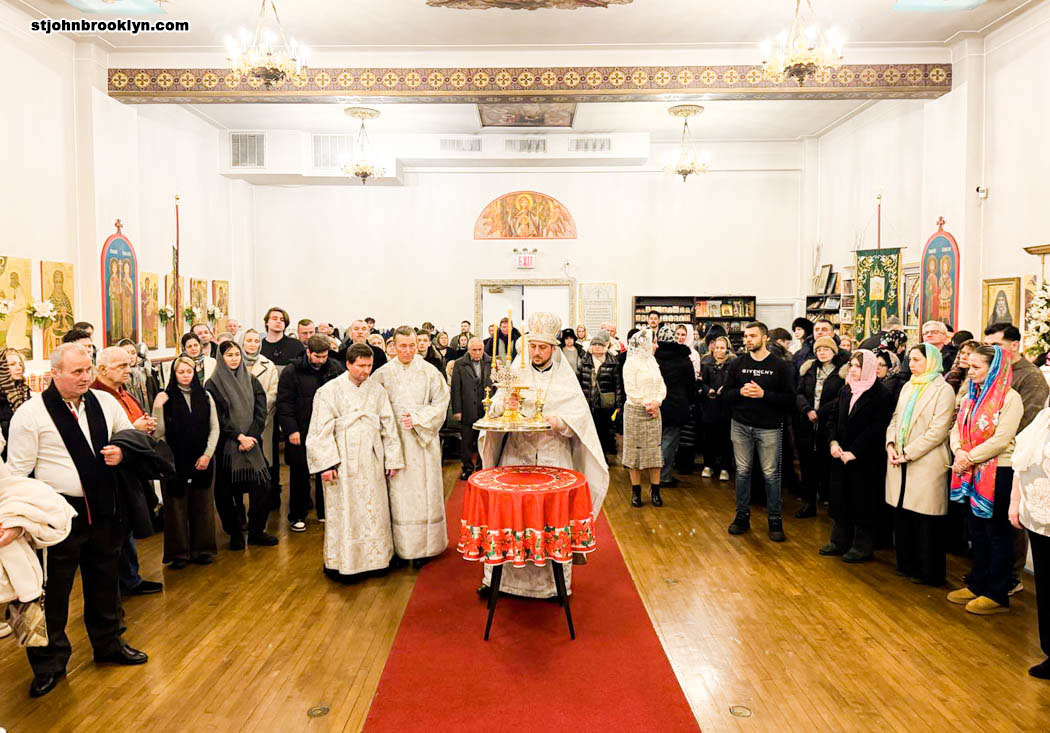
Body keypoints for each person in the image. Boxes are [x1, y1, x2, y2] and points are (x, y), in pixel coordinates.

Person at [7, 344, 147, 698]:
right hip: (56, 516)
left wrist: (122, 450)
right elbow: (17, 474)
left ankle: (109, 644)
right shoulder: (31, 413)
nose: (86, 377)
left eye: (88, 370)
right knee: (53, 594)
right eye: (77, 372)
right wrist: (19, 520)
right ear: (54, 373)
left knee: (105, 583)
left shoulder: (105, 402)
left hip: (103, 508)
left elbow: (129, 435)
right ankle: (49, 665)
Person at [477, 312, 609, 599]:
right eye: (533, 346)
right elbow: (494, 408)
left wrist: (560, 422)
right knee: (512, 519)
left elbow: (580, 420)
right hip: (517, 457)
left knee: (551, 520)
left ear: (553, 348)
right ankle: (501, 581)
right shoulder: (517, 369)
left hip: (553, 457)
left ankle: (552, 586)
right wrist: (506, 404)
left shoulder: (565, 378)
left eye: (542, 347)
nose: (536, 352)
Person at [305, 344, 404, 581]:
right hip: (342, 460)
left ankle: (376, 560)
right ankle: (344, 562)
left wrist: (392, 458)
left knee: (373, 508)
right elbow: (320, 430)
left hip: (371, 457)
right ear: (348, 364)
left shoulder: (377, 390)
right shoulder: (329, 391)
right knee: (345, 510)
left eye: (369, 366)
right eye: (361, 366)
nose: (366, 371)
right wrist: (326, 465)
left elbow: (388, 425)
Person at [948, 345, 1023, 615]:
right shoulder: (972, 395)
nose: (970, 371)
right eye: (970, 366)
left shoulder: (1010, 398)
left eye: (976, 367)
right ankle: (977, 583)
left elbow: (1002, 440)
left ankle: (997, 593)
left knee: (997, 533)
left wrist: (968, 457)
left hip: (998, 471)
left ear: (994, 370)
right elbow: (956, 428)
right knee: (976, 531)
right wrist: (959, 451)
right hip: (970, 469)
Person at [372, 326, 451, 568]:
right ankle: (398, 547)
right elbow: (373, 406)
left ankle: (424, 548)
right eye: (403, 346)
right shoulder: (382, 374)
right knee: (397, 495)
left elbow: (441, 403)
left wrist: (418, 418)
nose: (407, 351)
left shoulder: (430, 372)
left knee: (424, 493)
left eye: (412, 346)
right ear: (393, 346)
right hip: (394, 441)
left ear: (418, 345)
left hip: (422, 442)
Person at [91, 346, 164, 598]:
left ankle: (131, 578)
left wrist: (146, 425)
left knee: (129, 526)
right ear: (102, 370)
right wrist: (135, 428)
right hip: (114, 473)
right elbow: (107, 436)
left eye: (128, 365)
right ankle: (124, 582)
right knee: (119, 531)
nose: (129, 370)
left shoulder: (124, 392)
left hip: (131, 467)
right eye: (122, 366)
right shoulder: (97, 396)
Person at [984, 322, 1050, 595]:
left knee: (1008, 528)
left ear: (1014, 345)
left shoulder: (1031, 377)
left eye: (996, 345)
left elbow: (1029, 423)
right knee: (990, 525)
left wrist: (993, 439)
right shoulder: (994, 371)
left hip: (1012, 456)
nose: (991, 351)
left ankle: (1010, 578)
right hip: (987, 455)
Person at [885, 343, 955, 585]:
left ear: (931, 361)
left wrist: (908, 453)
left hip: (926, 461)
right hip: (900, 457)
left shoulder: (943, 390)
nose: (911, 364)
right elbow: (895, 418)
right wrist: (891, 444)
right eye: (910, 360)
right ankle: (907, 564)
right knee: (903, 514)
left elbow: (938, 430)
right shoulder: (908, 386)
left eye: (917, 360)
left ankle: (929, 572)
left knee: (926, 519)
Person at [724, 322, 796, 542]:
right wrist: (741, 392)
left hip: (769, 427)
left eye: (753, 336)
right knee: (742, 472)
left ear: (765, 338)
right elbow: (726, 394)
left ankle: (775, 520)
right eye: (746, 336)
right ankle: (742, 517)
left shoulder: (780, 366)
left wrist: (764, 394)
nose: (748, 340)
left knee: (771, 475)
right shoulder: (738, 364)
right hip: (741, 425)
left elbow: (789, 399)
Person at [821, 350, 894, 562]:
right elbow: (834, 418)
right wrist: (833, 442)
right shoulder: (847, 389)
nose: (852, 370)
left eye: (858, 366)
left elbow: (877, 428)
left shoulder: (881, 394)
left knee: (863, 501)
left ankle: (862, 546)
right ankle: (839, 541)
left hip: (865, 458)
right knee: (840, 497)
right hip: (841, 453)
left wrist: (855, 451)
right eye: (851, 365)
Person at [206, 341, 276, 550]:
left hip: (252, 444)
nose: (235, 358)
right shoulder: (213, 384)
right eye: (229, 355)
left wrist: (250, 436)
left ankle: (256, 531)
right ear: (221, 358)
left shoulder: (252, 380)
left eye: (237, 354)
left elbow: (261, 411)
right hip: (227, 447)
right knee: (226, 492)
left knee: (263, 487)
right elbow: (218, 417)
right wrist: (238, 436)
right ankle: (235, 533)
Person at [153, 355, 218, 569]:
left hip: (202, 458)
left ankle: (202, 549)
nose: (185, 376)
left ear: (194, 373)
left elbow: (214, 428)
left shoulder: (205, 396)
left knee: (203, 505)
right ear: (174, 374)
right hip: (174, 460)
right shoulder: (165, 397)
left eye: (189, 371)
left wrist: (207, 455)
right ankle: (178, 553)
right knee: (176, 508)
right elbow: (158, 433)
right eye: (180, 372)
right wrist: (157, 408)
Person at [277, 335, 344, 532]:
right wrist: (291, 430)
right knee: (300, 475)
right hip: (301, 429)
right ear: (308, 352)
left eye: (324, 356)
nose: (321, 360)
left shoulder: (335, 369)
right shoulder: (291, 371)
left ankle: (326, 512)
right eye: (317, 356)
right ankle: (297, 515)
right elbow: (284, 403)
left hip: (327, 430)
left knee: (328, 471)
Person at [1008, 407, 1050, 679]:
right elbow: (1019, 464)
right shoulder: (1044, 418)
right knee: (1045, 587)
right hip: (1038, 517)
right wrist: (1015, 503)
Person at [794, 337, 846, 518]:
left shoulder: (842, 372)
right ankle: (809, 503)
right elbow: (799, 393)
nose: (822, 353)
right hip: (807, 423)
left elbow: (841, 397)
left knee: (827, 463)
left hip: (828, 422)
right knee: (807, 464)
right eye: (819, 350)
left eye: (826, 349)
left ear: (834, 351)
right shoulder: (808, 369)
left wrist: (821, 412)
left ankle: (829, 502)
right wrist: (807, 409)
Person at [622, 329, 665, 507]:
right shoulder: (630, 363)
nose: (656, 345)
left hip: (654, 412)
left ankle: (655, 490)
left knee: (654, 452)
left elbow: (661, 385)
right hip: (635, 412)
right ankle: (636, 491)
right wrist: (648, 404)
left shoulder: (653, 361)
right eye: (654, 342)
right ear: (644, 343)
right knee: (635, 453)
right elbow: (630, 390)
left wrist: (658, 402)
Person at [238, 329, 280, 500]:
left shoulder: (268, 365)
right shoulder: (232, 362)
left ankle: (263, 503)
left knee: (261, 463)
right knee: (239, 466)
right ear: (241, 342)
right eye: (248, 340)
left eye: (256, 341)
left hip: (262, 421)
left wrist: (257, 414)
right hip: (237, 425)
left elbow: (272, 394)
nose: (252, 344)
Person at [654, 325, 696, 490]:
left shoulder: (654, 358)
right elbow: (690, 384)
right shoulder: (683, 358)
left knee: (657, 440)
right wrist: (691, 401)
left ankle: (655, 474)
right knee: (670, 441)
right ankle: (664, 476)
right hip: (677, 404)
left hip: (656, 404)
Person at [450, 337, 492, 481]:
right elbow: (455, 388)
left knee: (483, 441)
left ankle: (481, 468)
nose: (477, 352)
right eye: (474, 350)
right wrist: (457, 411)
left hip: (485, 409)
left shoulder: (490, 362)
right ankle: (467, 468)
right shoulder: (459, 363)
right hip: (467, 408)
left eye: (480, 349)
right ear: (468, 350)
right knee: (466, 443)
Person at [577, 331, 621, 457]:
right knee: (590, 431)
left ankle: (603, 456)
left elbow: (617, 384)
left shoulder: (612, 362)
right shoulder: (584, 362)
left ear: (605, 347)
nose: (597, 347)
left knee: (604, 431)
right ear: (590, 347)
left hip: (605, 404)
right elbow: (579, 382)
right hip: (588, 401)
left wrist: (618, 403)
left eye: (600, 345)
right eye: (595, 345)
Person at [700, 335, 735, 482]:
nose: (719, 351)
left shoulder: (733, 364)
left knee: (726, 438)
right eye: (717, 348)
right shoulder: (707, 363)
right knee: (709, 437)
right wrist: (708, 390)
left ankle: (725, 467)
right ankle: (708, 465)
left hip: (726, 407)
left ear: (727, 349)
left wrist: (725, 388)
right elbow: (703, 382)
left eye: (722, 348)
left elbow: (734, 383)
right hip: (710, 405)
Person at [0, 348, 31, 459]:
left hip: (26, 454)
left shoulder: (25, 392)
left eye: (20, 364)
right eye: (12, 364)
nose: (19, 367)